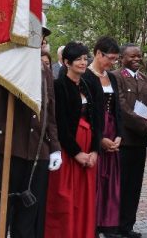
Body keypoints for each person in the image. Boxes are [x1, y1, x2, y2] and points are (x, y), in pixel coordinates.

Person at [0, 19, 62, 238]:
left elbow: (49, 109)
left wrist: (54, 146)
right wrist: (12, 58)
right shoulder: (4, 62)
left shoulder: (44, 68)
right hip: (8, 143)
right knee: (1, 209)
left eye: (40, 36)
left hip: (37, 147)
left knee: (29, 211)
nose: (38, 40)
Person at [44, 41, 100, 238]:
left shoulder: (87, 84)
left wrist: (94, 150)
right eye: (78, 59)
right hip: (70, 150)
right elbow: (59, 124)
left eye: (85, 59)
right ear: (66, 62)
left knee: (85, 197)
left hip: (88, 147)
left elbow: (96, 119)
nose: (83, 63)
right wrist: (77, 153)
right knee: (66, 197)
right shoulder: (58, 86)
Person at [82, 36, 123, 238]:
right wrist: (99, 139)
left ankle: (108, 223)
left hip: (112, 131)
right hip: (94, 131)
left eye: (115, 59)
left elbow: (117, 109)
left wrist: (119, 136)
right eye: (110, 58)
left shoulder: (112, 77)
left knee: (110, 182)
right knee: (95, 181)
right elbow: (85, 112)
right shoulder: (85, 76)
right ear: (98, 53)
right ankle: (92, 224)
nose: (112, 62)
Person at [113, 43, 147, 238]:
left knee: (135, 186)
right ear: (122, 58)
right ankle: (114, 225)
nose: (137, 58)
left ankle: (128, 225)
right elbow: (121, 107)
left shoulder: (146, 80)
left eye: (139, 56)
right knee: (120, 185)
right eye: (132, 56)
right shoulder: (117, 77)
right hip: (124, 140)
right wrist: (143, 125)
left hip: (140, 141)